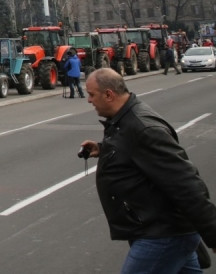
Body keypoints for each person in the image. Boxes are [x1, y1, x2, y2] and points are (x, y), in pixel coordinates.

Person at [80, 68, 216, 273]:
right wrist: (104, 148)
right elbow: (133, 150)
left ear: (109, 94)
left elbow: (185, 183)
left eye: (92, 94)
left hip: (162, 234)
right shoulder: (123, 121)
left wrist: (213, 233)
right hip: (162, 230)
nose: (89, 100)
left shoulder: (142, 128)